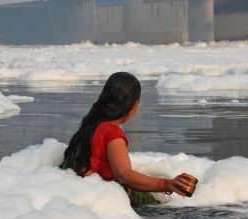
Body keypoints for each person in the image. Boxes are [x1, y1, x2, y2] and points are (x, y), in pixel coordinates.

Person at [60, 72, 196, 206]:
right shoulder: (112, 133)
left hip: (79, 193)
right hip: (102, 198)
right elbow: (123, 175)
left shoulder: (89, 126)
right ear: (130, 105)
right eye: (137, 104)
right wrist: (167, 184)